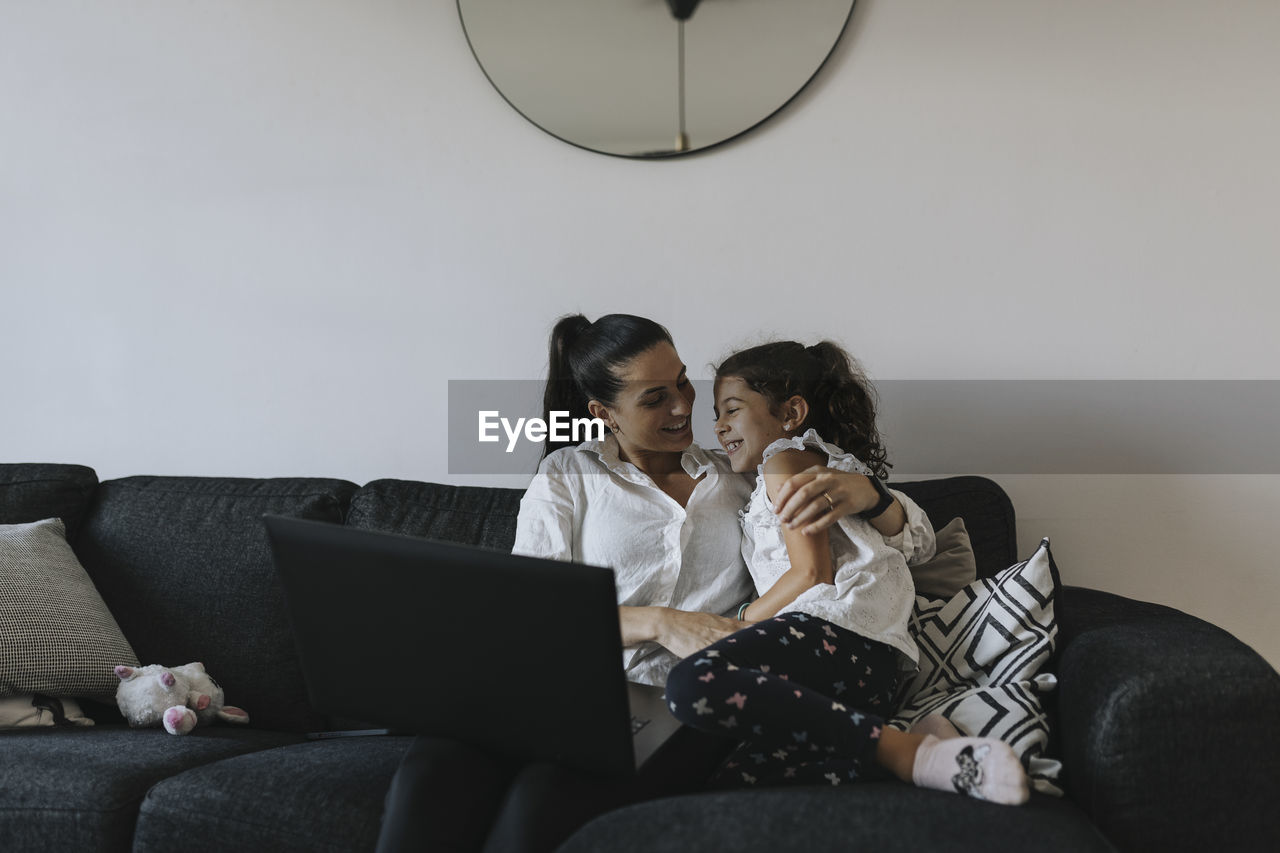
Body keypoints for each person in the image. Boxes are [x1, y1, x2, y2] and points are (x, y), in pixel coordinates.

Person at [375, 314, 893, 853]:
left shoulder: (745, 470)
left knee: (539, 803)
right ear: (604, 414)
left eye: (683, 382)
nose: (682, 406)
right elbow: (531, 616)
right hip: (559, 691)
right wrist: (660, 622)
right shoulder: (568, 473)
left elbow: (896, 544)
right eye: (654, 398)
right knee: (435, 772)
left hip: (674, 703)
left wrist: (873, 494)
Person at [664, 340, 1031, 805]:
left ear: (792, 413)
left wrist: (737, 622)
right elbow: (909, 540)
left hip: (834, 631)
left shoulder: (784, 460)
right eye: (717, 413)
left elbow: (812, 572)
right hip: (868, 671)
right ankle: (924, 742)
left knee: (692, 682)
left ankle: (905, 751)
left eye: (732, 410)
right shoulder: (801, 469)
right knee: (739, 777)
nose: (717, 426)